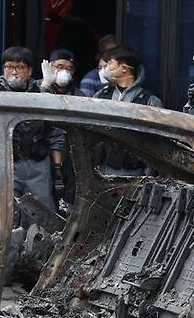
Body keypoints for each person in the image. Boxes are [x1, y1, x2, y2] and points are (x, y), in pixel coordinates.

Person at [0, 47, 61, 217]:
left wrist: (45, 88)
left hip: (36, 162)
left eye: (19, 67)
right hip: (7, 163)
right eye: (9, 67)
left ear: (30, 71)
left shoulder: (43, 91)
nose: (13, 72)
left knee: (42, 211)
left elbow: (52, 128)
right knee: (5, 213)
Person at [94, 46, 163, 176]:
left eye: (110, 64)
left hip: (134, 173)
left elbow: (155, 144)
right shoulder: (101, 96)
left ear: (124, 68)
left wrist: (148, 177)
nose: (105, 70)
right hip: (101, 171)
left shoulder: (150, 101)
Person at [39, 48, 85, 206]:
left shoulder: (79, 95)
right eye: (60, 67)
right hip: (40, 155)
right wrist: (44, 86)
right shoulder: (37, 88)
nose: (64, 72)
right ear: (50, 67)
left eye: (69, 68)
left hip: (68, 157)